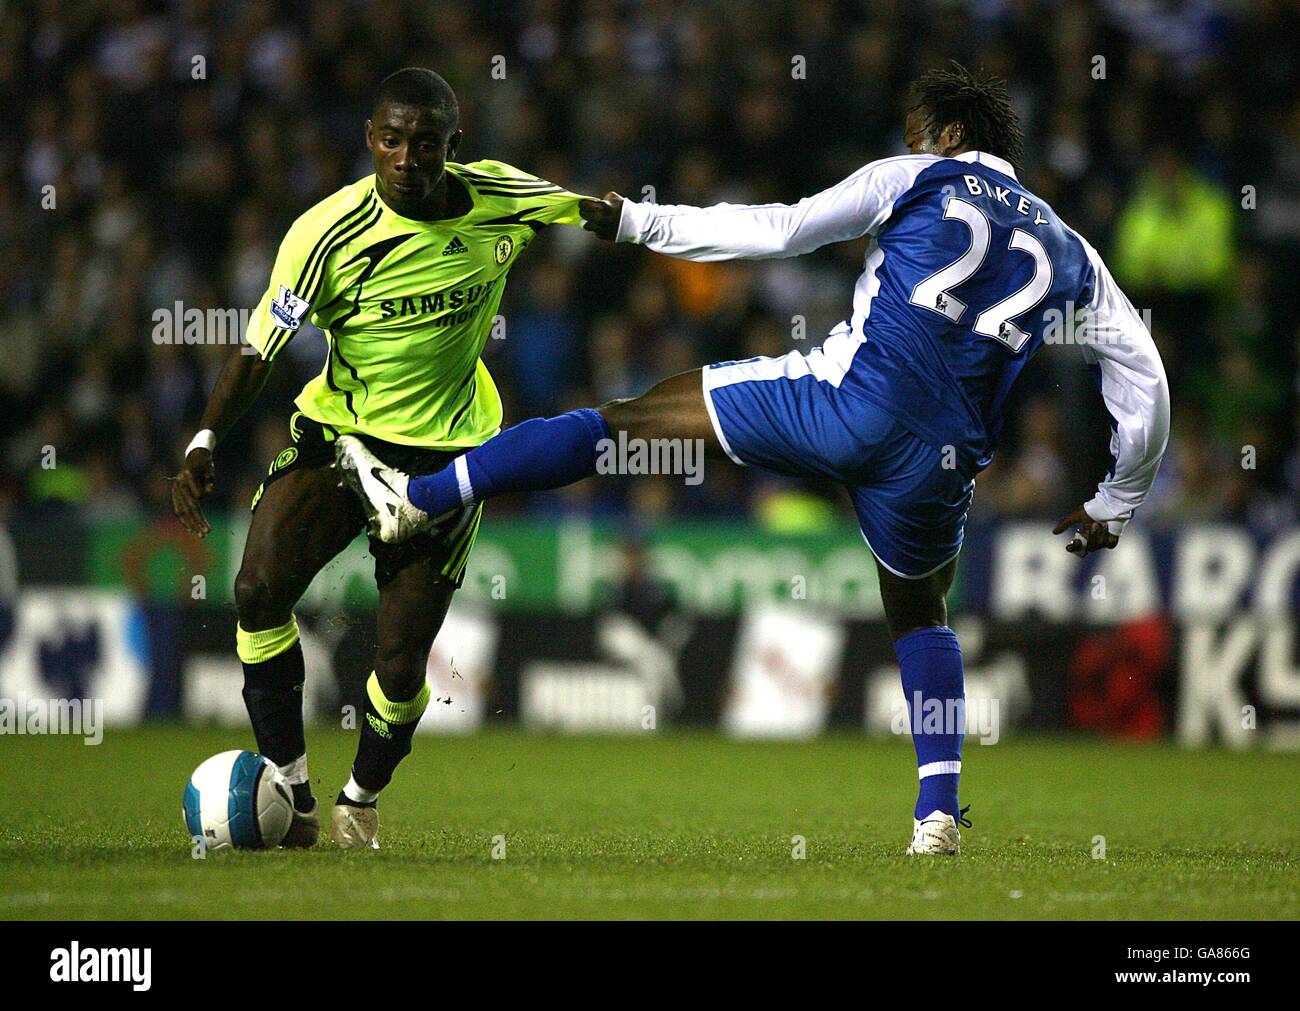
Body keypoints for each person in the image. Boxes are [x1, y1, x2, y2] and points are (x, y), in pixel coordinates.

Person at [339, 62, 1171, 855]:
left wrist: (641, 223)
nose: (912, 145)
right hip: (941, 465)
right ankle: (936, 815)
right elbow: (1145, 378)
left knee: (625, 419)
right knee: (920, 613)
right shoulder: (1073, 252)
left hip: (843, 401)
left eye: (920, 135)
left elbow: (784, 228)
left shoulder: (918, 177)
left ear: (951, 134)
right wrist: (1116, 499)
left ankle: (421, 495)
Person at [170, 68, 590, 849]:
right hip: (341, 438)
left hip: (447, 457)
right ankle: (290, 794)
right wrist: (203, 440)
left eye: (424, 143)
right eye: (391, 140)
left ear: (451, 145)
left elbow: (605, 214)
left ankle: (359, 796)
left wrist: (725, 230)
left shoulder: (501, 197)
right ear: (370, 139)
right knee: (258, 588)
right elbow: (261, 348)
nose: (405, 157)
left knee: (398, 663)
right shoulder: (325, 234)